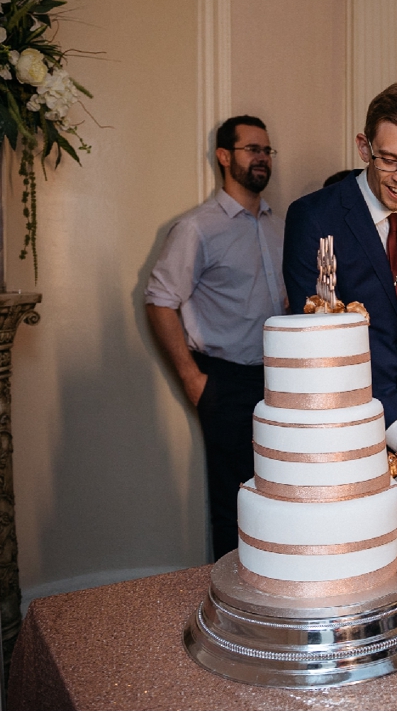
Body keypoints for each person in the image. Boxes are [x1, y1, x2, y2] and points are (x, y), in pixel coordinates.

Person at [282, 82, 397, 537]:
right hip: (347, 430)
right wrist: (396, 425)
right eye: (389, 160)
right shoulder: (314, 217)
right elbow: (323, 346)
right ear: (364, 146)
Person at [145, 114, 288, 559]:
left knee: (284, 496)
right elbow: (159, 299)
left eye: (267, 150)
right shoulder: (197, 228)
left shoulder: (279, 225)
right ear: (225, 157)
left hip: (281, 382)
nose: (262, 158)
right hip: (224, 382)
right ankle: (236, 610)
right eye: (252, 149)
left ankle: (280, 597)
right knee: (235, 504)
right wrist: (192, 379)